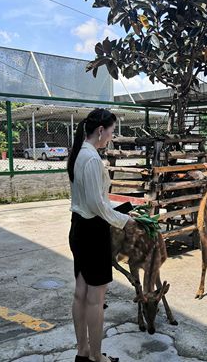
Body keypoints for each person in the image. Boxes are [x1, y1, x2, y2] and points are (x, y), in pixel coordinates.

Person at [67, 108, 137, 362]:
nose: (111, 136)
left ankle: (83, 352)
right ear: (100, 131)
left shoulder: (78, 153)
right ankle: (97, 357)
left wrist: (120, 211)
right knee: (96, 299)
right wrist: (124, 219)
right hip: (93, 231)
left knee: (81, 293)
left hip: (78, 228)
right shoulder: (93, 159)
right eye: (111, 131)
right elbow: (97, 205)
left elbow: (91, 201)